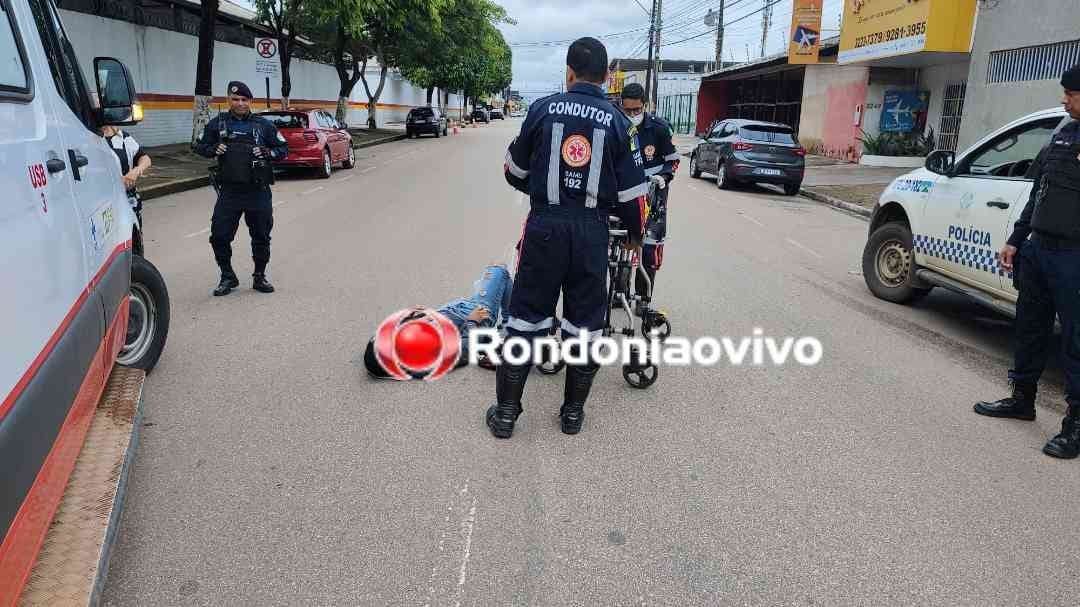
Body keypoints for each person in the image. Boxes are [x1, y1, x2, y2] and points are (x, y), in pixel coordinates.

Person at [491, 37, 649, 438]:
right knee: (585, 326)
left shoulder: (542, 109)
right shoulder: (619, 123)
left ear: (569, 71)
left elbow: (513, 170)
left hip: (545, 228)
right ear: (607, 76)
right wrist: (634, 234)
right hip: (592, 234)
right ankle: (572, 415)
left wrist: (546, 193)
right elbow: (633, 195)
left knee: (524, 319)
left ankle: (507, 413)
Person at [975, 64, 1080, 459]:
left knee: (1075, 342)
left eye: (1071, 94)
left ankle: (1075, 425)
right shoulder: (1062, 135)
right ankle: (1022, 398)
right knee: (1030, 327)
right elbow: (1039, 192)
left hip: (1075, 256)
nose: (1064, 99)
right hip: (1039, 250)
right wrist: (1018, 239)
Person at [193, 81, 288, 296]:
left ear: (250, 102)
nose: (240, 103)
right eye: (235, 99)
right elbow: (199, 146)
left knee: (261, 236)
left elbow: (283, 149)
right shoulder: (218, 124)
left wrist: (267, 153)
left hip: (258, 191)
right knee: (219, 236)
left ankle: (259, 276)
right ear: (228, 100)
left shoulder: (263, 125)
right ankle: (227, 276)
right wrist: (213, 149)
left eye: (244, 100)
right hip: (230, 192)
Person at [365, 263, 513, 378]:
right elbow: (468, 349)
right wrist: (472, 320)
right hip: (477, 316)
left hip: (454, 310)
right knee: (499, 270)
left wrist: (414, 315)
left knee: (488, 279)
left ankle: (508, 322)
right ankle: (509, 325)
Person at [619, 83, 679, 307]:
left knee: (649, 249)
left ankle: (643, 298)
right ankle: (618, 293)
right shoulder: (616, 126)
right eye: (628, 111)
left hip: (653, 197)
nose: (632, 115)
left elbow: (673, 161)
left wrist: (664, 177)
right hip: (625, 195)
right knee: (621, 243)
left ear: (645, 106)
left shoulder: (659, 129)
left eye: (636, 110)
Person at [102, 125, 151, 255]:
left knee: (132, 243)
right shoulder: (87, 138)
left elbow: (145, 158)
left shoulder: (122, 137)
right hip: (103, 203)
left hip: (128, 200)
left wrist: (136, 171)